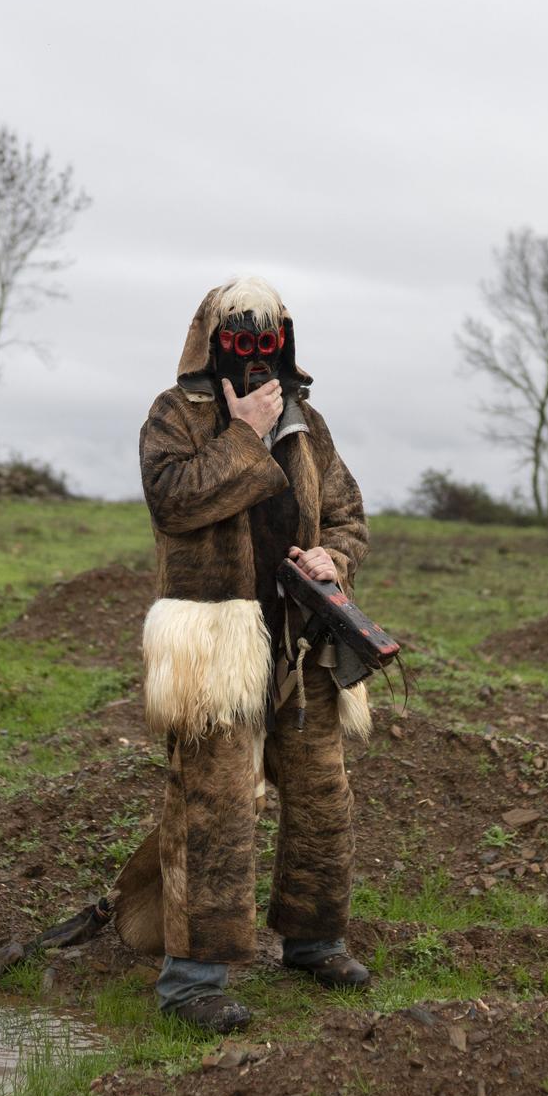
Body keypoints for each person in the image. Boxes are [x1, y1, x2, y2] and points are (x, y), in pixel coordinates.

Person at [127, 275, 373, 1031]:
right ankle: (193, 981)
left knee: (323, 792)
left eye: (269, 342)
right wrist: (242, 434)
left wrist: (335, 556)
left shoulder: (311, 424)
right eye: (241, 340)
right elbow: (174, 498)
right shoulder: (175, 416)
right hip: (212, 644)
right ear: (213, 343)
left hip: (301, 639)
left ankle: (313, 939)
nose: (257, 357)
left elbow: (347, 514)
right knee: (215, 801)